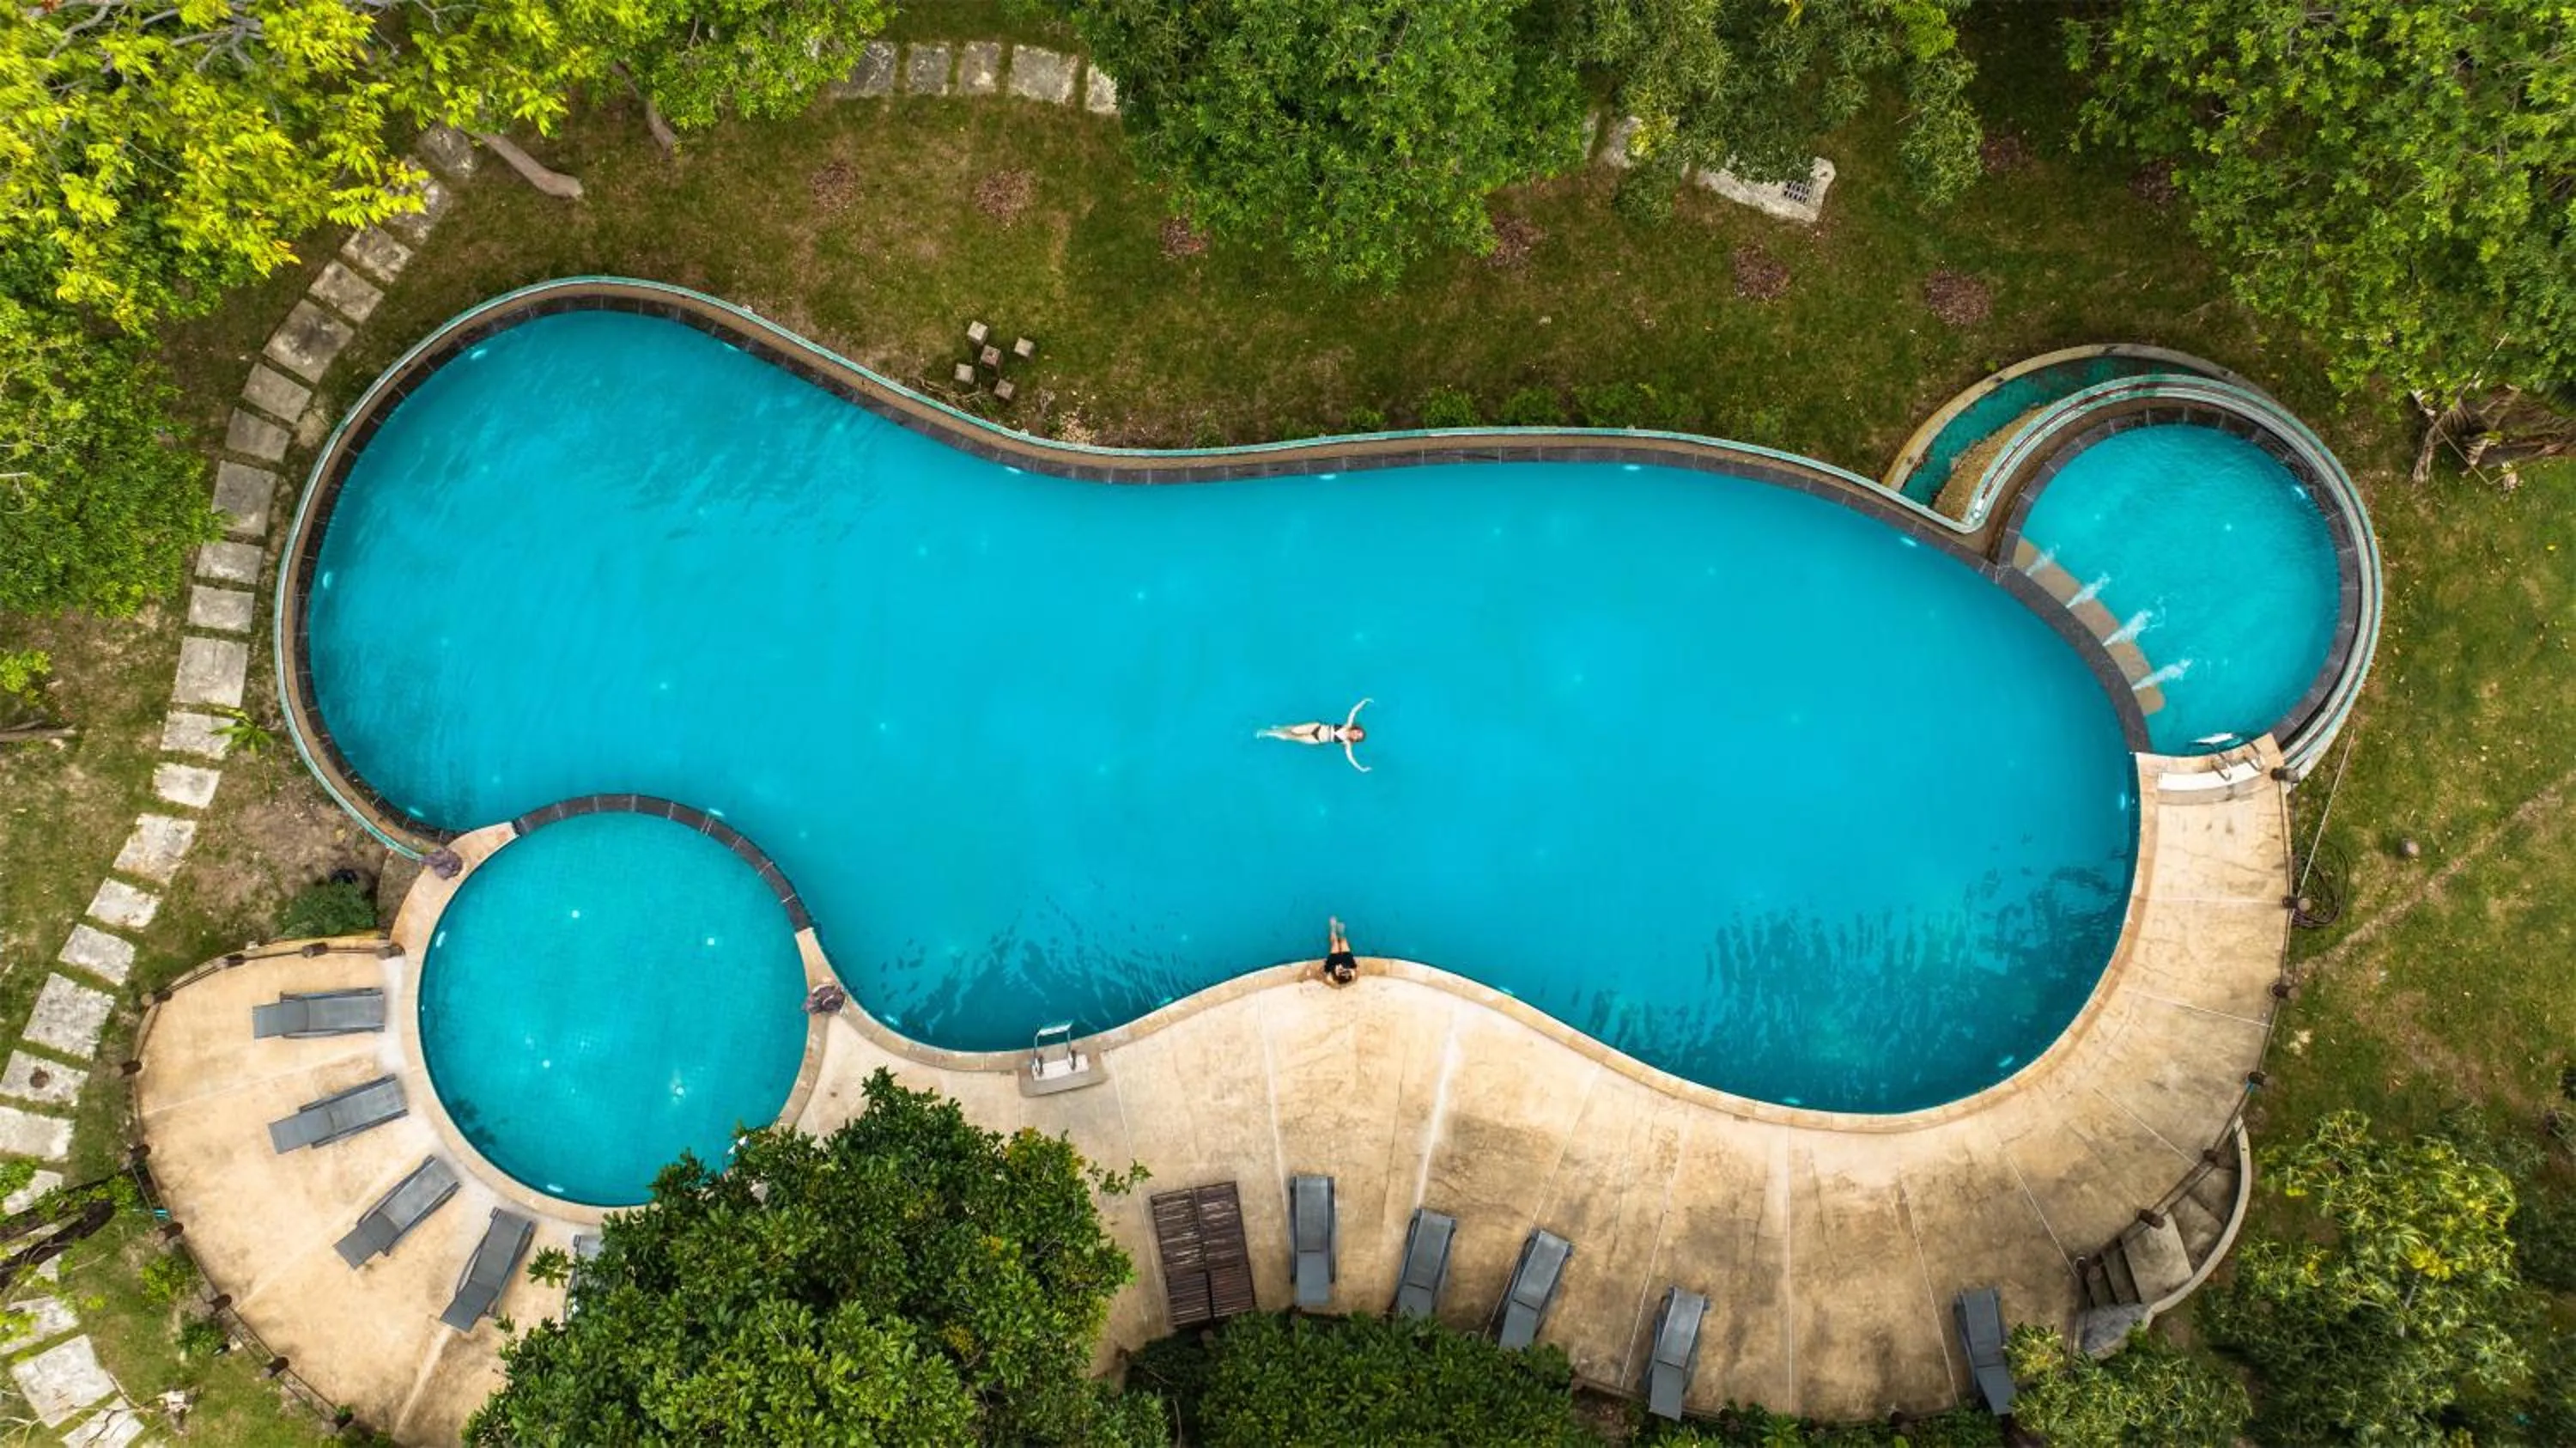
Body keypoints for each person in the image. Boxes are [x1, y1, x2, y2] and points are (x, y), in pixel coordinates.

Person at [1257, 698, 1372, 772]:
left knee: (1290, 737)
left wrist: (1361, 768)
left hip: (1315, 739)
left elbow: (1350, 758)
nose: (1356, 734)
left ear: (1355, 739)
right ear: (1356, 729)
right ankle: (1279, 728)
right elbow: (1353, 712)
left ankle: (1268, 733)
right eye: (1358, 732)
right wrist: (1364, 702)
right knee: (1295, 729)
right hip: (1316, 727)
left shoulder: (1346, 743)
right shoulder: (1348, 725)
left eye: (1358, 737)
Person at [1322, 916, 1359, 986]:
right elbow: (1356, 971)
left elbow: (1326, 975)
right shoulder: (1351, 976)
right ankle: (1338, 933)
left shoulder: (1332, 978)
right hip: (1344, 961)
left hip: (1337, 962)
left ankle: (1335, 930)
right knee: (1340, 942)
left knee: (1337, 943)